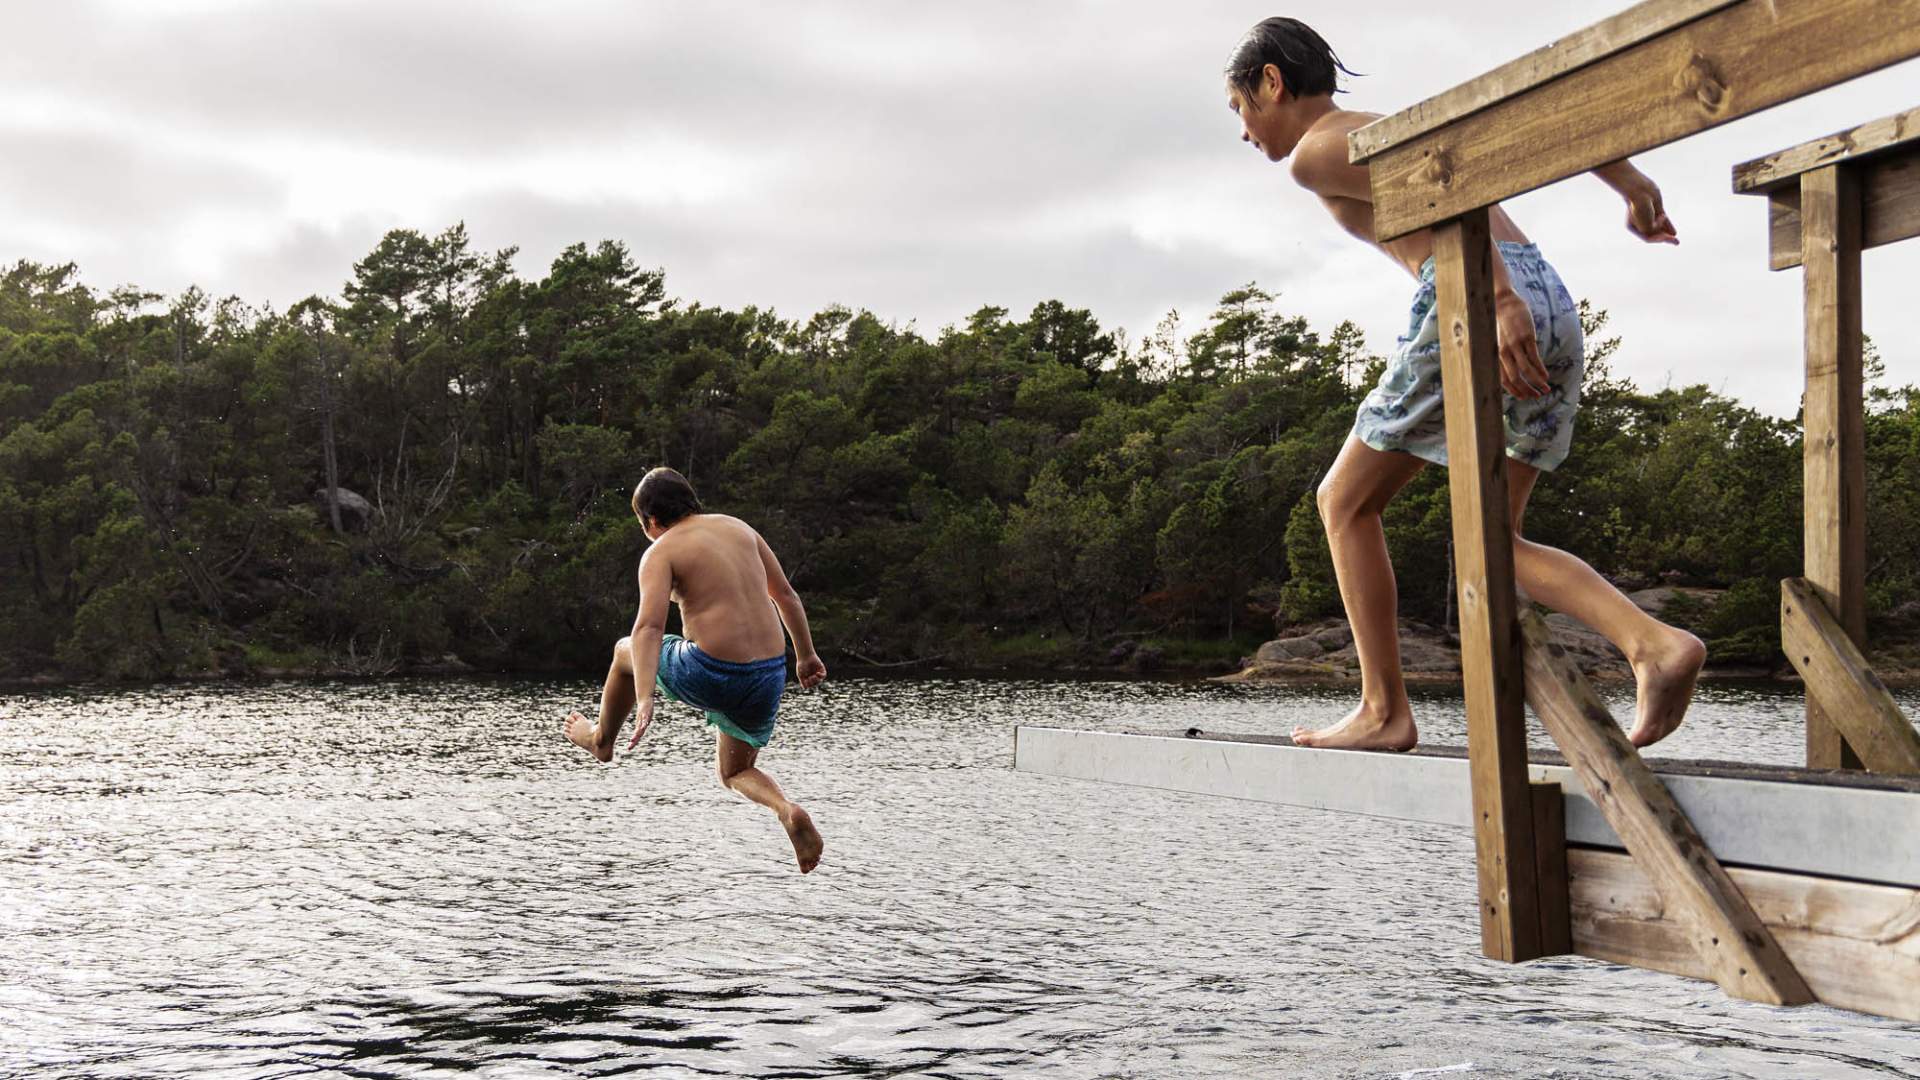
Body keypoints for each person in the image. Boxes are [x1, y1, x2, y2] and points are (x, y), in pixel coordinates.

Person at [1224, 17, 1705, 751]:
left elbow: (1448, 192)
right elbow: (1535, 121)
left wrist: (1497, 298)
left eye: (1240, 109)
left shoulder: (1317, 151)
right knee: (1493, 540)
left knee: (1344, 502)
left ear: (1271, 82)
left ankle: (1385, 709)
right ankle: (1651, 644)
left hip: (1478, 292)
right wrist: (1630, 180)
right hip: (1549, 296)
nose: (1245, 133)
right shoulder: (1382, 126)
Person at [562, 466, 827, 873]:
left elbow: (649, 628)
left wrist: (646, 694)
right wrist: (805, 655)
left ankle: (601, 740)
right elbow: (786, 596)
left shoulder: (661, 550)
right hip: (769, 673)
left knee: (622, 651)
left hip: (713, 670)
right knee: (736, 770)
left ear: (650, 521)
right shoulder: (740, 529)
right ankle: (786, 810)